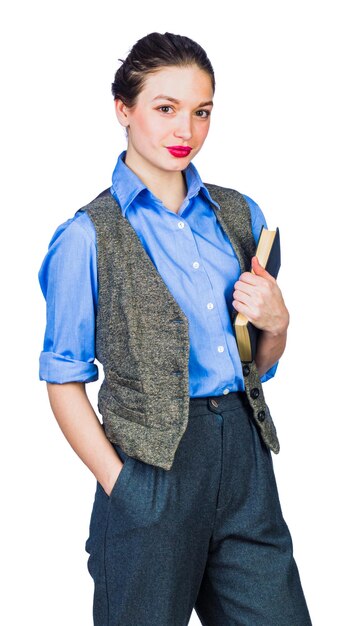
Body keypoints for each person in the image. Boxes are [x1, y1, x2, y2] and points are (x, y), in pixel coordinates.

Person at [38, 31, 312, 626]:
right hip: (151, 471)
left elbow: (256, 362)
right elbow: (63, 380)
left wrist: (279, 322)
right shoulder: (87, 237)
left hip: (245, 464)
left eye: (201, 111)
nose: (185, 128)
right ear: (123, 110)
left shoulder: (241, 215)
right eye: (165, 109)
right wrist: (124, 488)